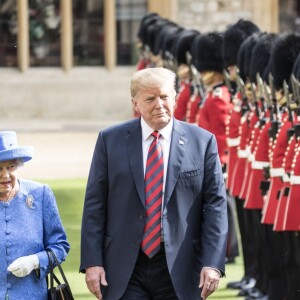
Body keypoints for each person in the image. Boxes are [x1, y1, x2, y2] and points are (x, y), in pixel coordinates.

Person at [80, 67, 228, 300]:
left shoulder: (202, 142)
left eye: (164, 96)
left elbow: (215, 207)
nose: (159, 104)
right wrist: (92, 262)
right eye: (150, 99)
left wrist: (213, 262)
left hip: (182, 265)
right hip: (124, 266)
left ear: (175, 98)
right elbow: (95, 204)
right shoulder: (110, 140)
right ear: (135, 103)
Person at [0, 131, 70, 299]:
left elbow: (60, 247)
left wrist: (36, 261)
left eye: (11, 167)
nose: (5, 175)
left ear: (18, 166)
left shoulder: (40, 194)